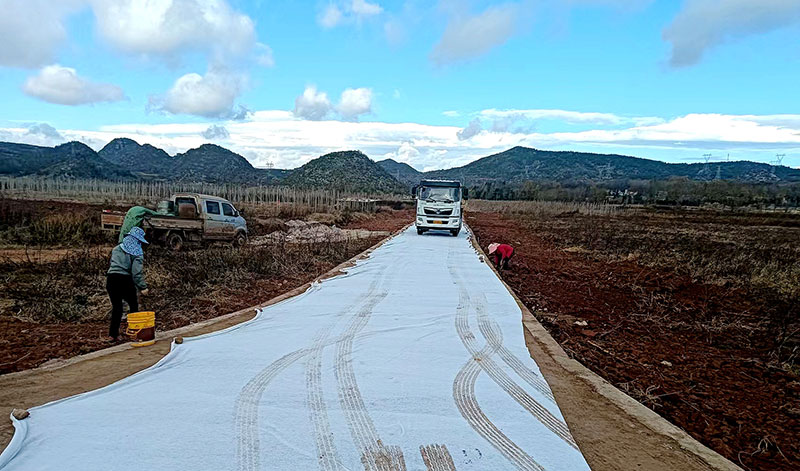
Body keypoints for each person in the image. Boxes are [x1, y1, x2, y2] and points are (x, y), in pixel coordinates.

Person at [106, 226, 149, 340]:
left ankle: (113, 334)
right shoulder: (137, 253)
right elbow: (136, 273)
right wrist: (143, 287)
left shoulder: (116, 249)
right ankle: (135, 331)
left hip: (111, 279)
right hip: (125, 280)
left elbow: (112, 265)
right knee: (133, 305)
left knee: (117, 307)